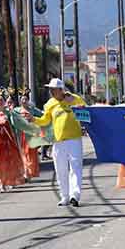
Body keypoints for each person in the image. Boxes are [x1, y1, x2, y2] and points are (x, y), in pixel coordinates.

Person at [33, 78, 87, 207]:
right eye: (50, 89)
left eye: (53, 89)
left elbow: (85, 109)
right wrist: (33, 119)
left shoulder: (73, 98)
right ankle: (65, 196)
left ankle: (75, 195)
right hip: (58, 141)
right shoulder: (50, 104)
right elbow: (45, 120)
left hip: (74, 139)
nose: (51, 91)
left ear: (61, 89)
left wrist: (73, 101)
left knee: (76, 167)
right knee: (60, 169)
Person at [16, 89, 41, 181]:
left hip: (31, 135)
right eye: (22, 99)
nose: (24, 101)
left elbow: (42, 114)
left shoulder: (32, 110)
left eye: (25, 99)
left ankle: (29, 172)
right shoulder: (17, 110)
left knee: (30, 153)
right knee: (23, 153)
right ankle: (26, 172)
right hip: (21, 135)